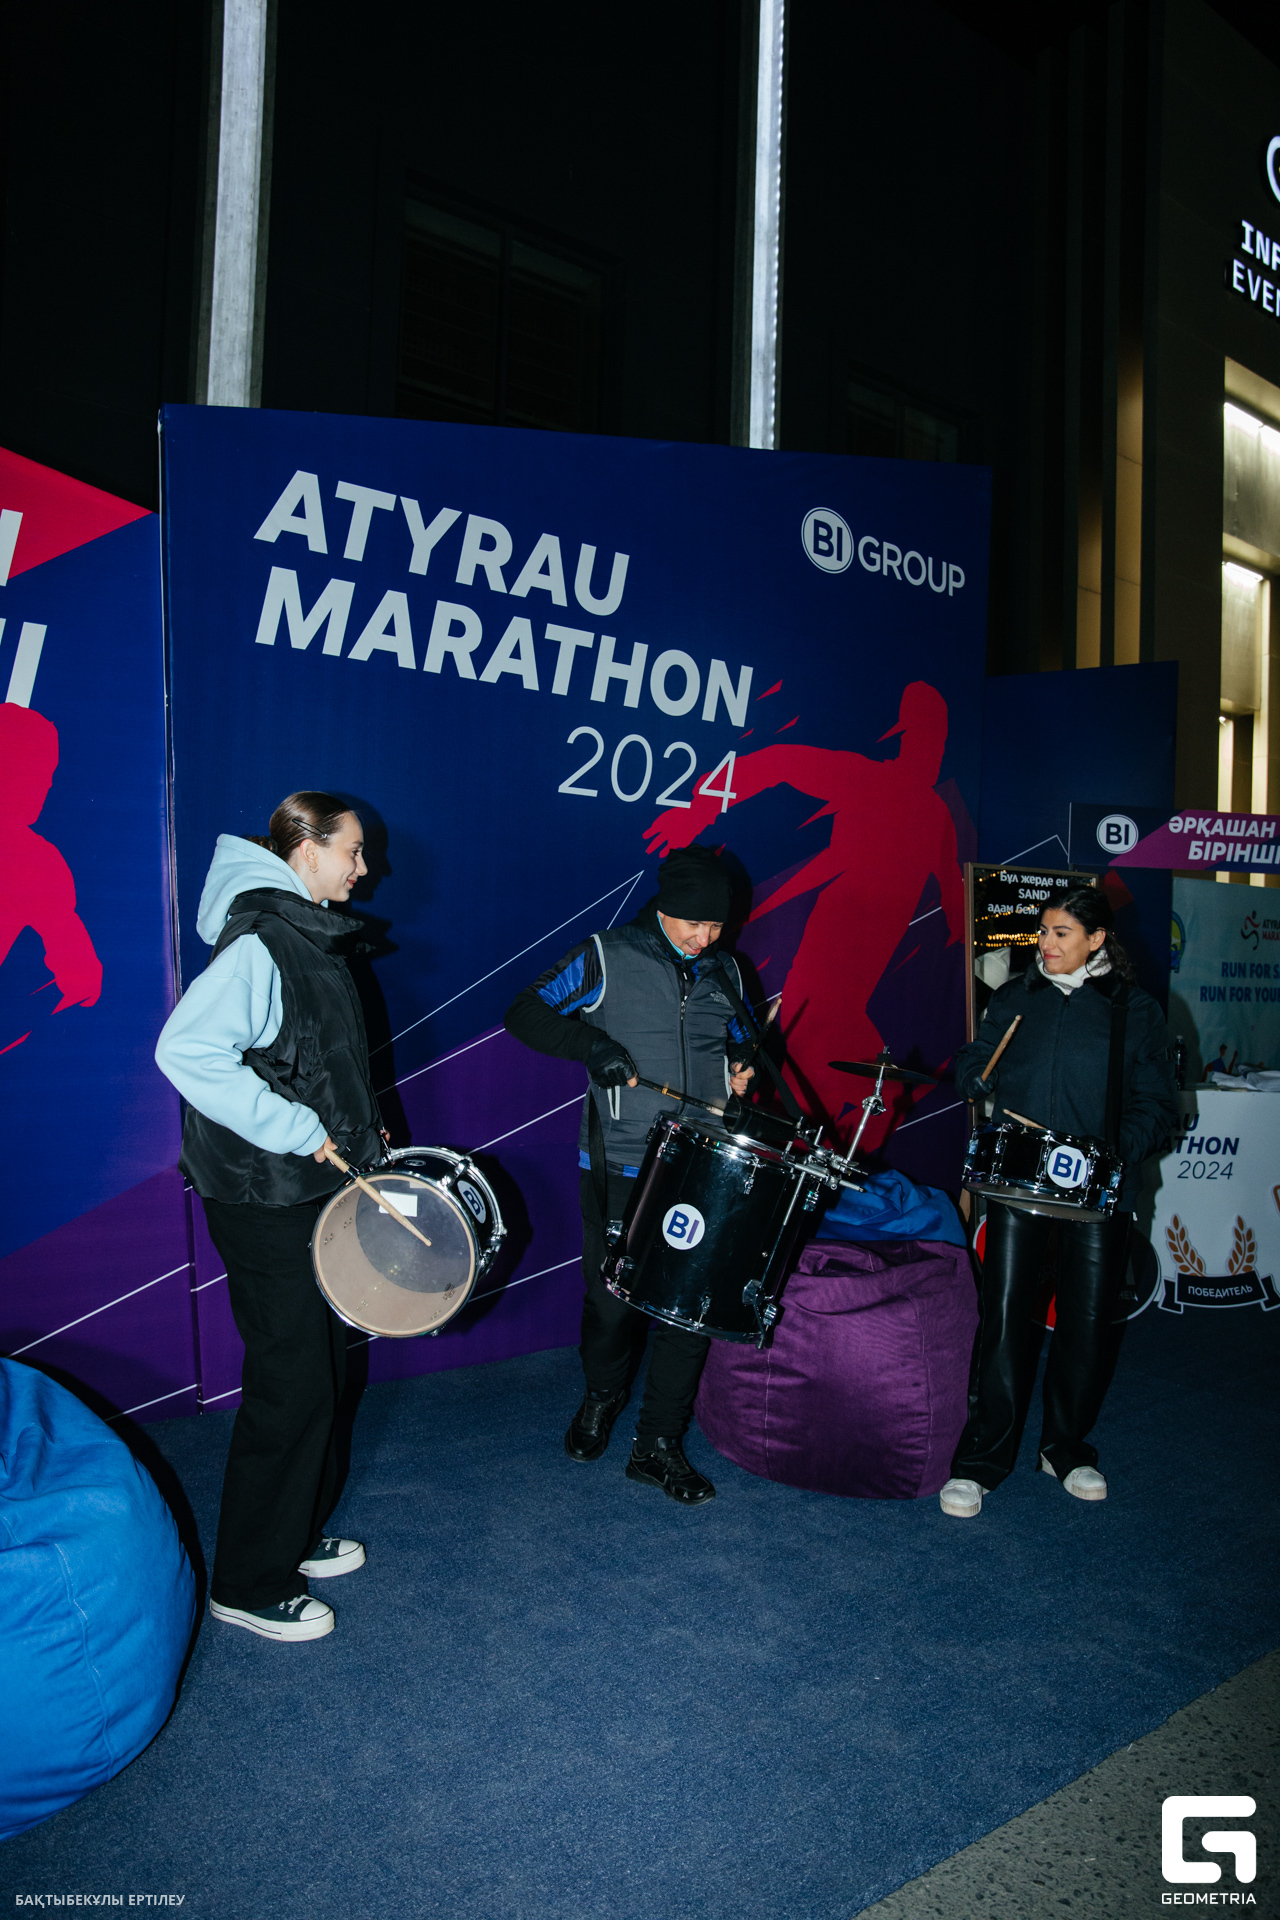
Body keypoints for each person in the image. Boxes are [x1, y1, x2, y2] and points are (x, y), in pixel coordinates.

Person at [155, 792, 384, 1639]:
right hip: (264, 1196)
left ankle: (293, 1531)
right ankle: (248, 1581)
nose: (364, 868)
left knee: (322, 1370)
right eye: (352, 851)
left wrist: (356, 1133)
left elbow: (314, 1063)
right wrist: (298, 1129)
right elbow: (186, 1050)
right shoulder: (261, 939)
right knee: (292, 1383)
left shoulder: (307, 934)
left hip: (308, 1191)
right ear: (305, 849)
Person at [504, 847, 756, 1505]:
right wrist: (592, 1045)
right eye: (694, 924)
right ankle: (601, 1395)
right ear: (664, 910)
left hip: (702, 1163)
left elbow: (744, 1038)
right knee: (612, 1304)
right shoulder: (606, 954)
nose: (705, 938)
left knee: (688, 1309)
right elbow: (524, 1011)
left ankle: (658, 1444)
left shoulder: (726, 968)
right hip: (619, 1160)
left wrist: (742, 1068)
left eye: (717, 926)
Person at [940, 887, 1178, 1518]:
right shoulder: (1016, 997)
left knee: (1085, 1324)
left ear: (1097, 940)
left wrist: (1112, 1151)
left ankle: (1065, 1449)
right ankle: (981, 1461)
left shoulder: (1134, 1010)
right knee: (1004, 1320)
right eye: (1042, 932)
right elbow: (975, 1056)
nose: (1045, 944)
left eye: (1061, 933)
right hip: (1021, 1184)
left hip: (1099, 1192)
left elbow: (1157, 1106)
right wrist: (974, 1074)